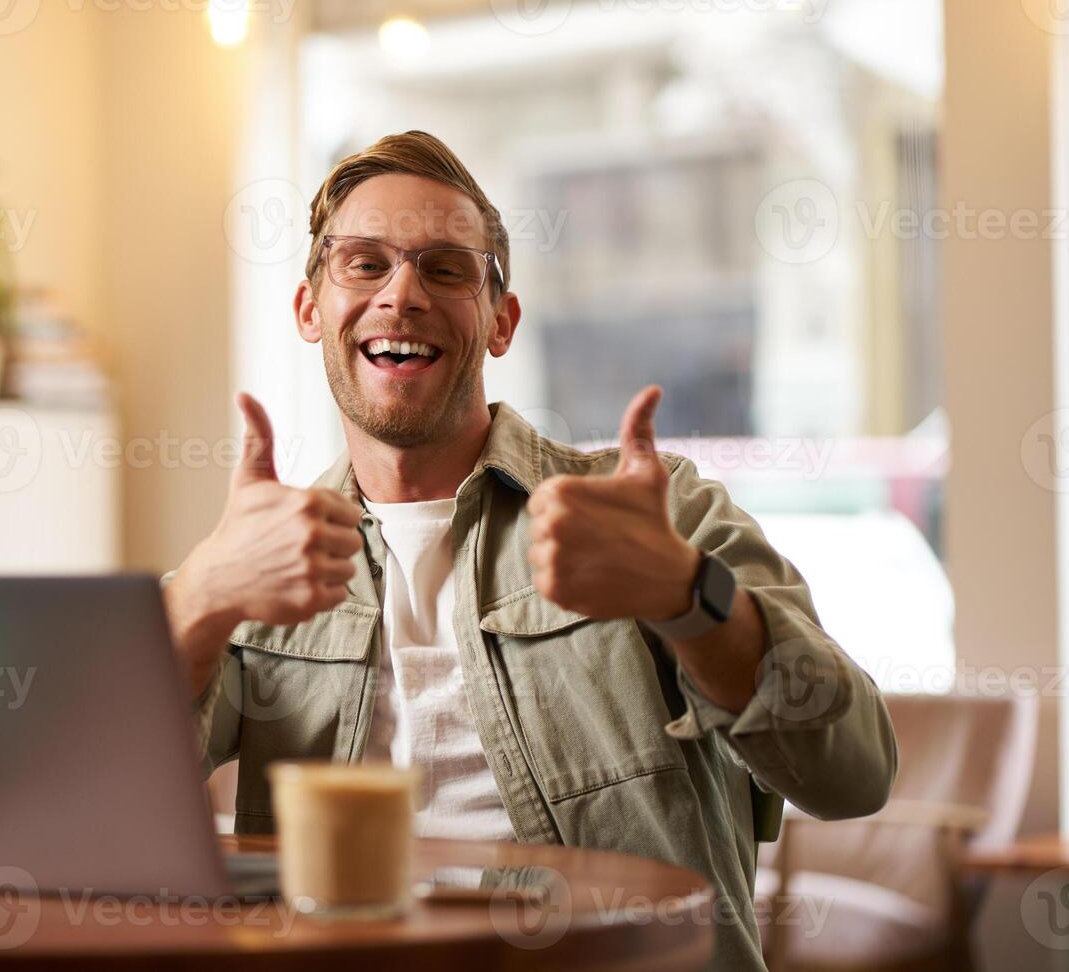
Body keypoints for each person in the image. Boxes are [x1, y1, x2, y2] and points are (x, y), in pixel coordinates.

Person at [162, 130, 896, 971]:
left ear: (501, 322)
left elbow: (854, 771)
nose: (401, 295)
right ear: (308, 309)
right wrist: (199, 601)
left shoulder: (659, 515)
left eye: (445, 268)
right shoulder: (256, 555)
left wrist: (685, 597)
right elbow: (93, 811)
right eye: (364, 263)